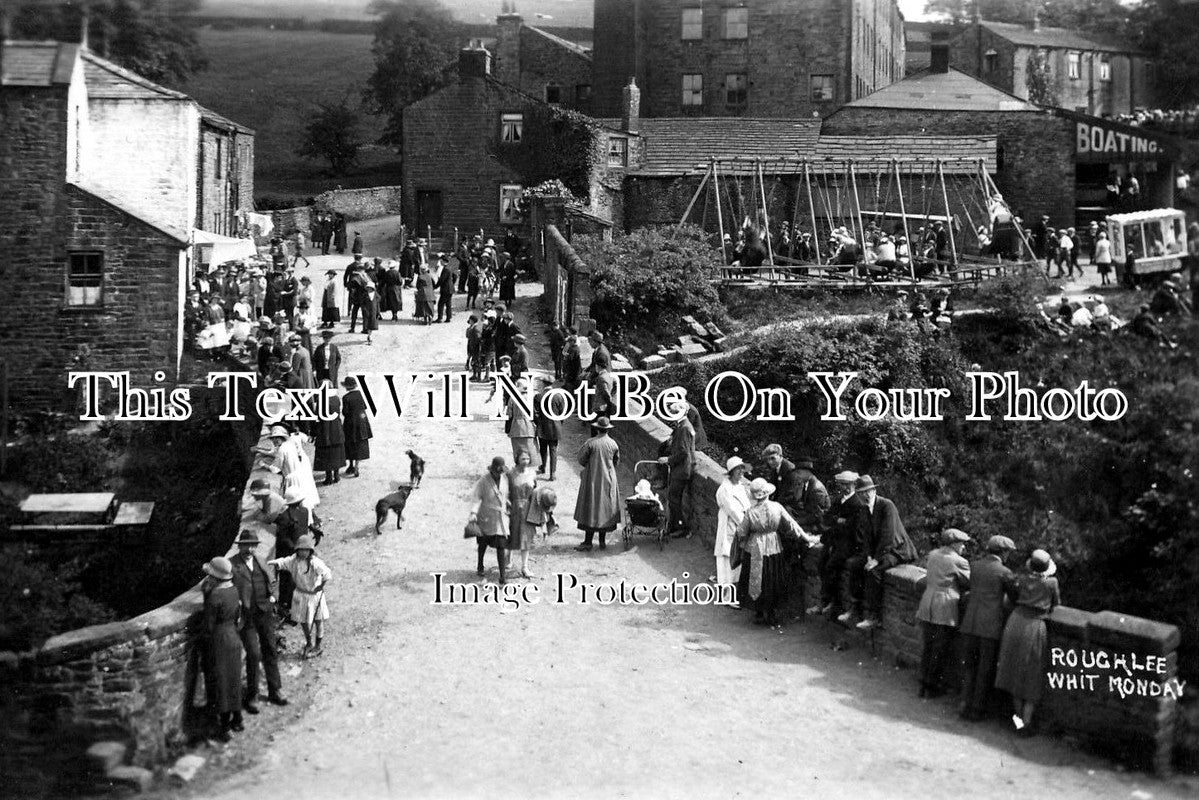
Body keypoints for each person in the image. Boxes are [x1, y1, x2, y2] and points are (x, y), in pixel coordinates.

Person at [995, 549, 1061, 736]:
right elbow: (1056, 603)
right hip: (1035, 625)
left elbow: (1012, 598)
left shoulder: (1021, 579)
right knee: (1032, 672)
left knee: (1013, 670)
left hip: (1015, 622)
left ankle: (1018, 719)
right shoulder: (1051, 582)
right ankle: (1026, 722)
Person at [844, 475, 918, 630]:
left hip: (897, 550)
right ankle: (855, 608)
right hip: (880, 550)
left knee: (874, 571)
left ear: (874, 490)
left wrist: (875, 560)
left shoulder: (886, 505)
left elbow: (888, 536)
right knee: (853, 564)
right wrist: (869, 555)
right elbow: (867, 537)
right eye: (861, 492)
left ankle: (874, 617)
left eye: (867, 491)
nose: (865, 495)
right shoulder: (864, 509)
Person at [735, 477, 808, 626]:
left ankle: (759, 612)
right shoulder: (777, 507)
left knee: (756, 579)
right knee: (773, 578)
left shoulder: (750, 512)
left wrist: (742, 541)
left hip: (755, 547)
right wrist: (806, 538)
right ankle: (772, 613)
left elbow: (742, 531)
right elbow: (791, 526)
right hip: (774, 545)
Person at [228, 530, 287, 716]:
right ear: (240, 546)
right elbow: (223, 586)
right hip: (246, 618)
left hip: (264, 613)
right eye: (246, 545)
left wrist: (272, 597)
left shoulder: (260, 560)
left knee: (270, 648)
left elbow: (273, 580)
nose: (250, 548)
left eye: (253, 545)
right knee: (253, 654)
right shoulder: (232, 565)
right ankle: (252, 695)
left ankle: (275, 690)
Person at [959, 535, 1017, 721]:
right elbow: (1015, 598)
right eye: (1008, 552)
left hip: (970, 622)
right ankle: (977, 709)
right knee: (984, 668)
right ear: (1003, 553)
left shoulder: (975, 566)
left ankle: (964, 704)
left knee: (969, 667)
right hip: (990, 626)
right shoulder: (1005, 572)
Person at [916, 528, 972, 698]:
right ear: (954, 544)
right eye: (961, 543)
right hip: (944, 606)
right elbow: (969, 582)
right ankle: (932, 686)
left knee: (928, 646)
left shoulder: (932, 555)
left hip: (928, 603)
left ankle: (923, 684)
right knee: (939, 648)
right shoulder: (959, 561)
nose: (963, 547)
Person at [200, 556, 244, 741]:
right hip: (233, 637)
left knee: (221, 683)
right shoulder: (233, 591)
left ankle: (224, 726)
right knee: (234, 679)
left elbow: (208, 626)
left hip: (220, 640)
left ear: (214, 577)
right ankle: (238, 718)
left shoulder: (215, 596)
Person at [812, 470, 867, 617]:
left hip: (849, 542)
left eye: (848, 485)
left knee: (832, 566)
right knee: (822, 563)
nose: (845, 488)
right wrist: (838, 520)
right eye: (842, 484)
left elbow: (853, 527)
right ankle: (825, 600)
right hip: (834, 538)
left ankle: (834, 603)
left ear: (854, 484)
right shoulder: (838, 500)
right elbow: (827, 519)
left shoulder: (858, 504)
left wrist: (837, 521)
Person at [269, 534, 332, 659]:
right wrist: (273, 562)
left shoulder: (316, 563)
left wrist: (320, 586)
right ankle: (309, 643)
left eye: (306, 550)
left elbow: (327, 574)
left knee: (318, 621)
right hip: (300, 594)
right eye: (301, 550)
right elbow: (283, 562)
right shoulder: (293, 560)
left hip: (314, 596)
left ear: (310, 551)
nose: (303, 553)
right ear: (297, 550)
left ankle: (318, 646)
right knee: (303, 621)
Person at [574, 417, 621, 552]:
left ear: (597, 428)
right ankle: (602, 541)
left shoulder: (591, 443)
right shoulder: (613, 444)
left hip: (592, 478)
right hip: (608, 479)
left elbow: (581, 459)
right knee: (605, 508)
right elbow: (616, 461)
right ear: (607, 429)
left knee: (591, 507)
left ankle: (588, 541)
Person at [470, 456, 511, 584]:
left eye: (501, 472)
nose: (499, 474)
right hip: (486, 517)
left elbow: (504, 495)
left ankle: (502, 576)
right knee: (483, 543)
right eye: (497, 472)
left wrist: (508, 504)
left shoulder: (505, 479)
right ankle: (480, 564)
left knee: (501, 546)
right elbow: (476, 498)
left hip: (501, 519)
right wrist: (473, 512)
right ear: (492, 470)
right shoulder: (483, 481)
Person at [714, 456, 752, 591]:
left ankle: (733, 592)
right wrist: (747, 524)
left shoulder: (740, 486)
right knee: (727, 559)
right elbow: (733, 510)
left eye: (742, 469)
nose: (741, 472)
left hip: (739, 527)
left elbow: (747, 506)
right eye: (737, 470)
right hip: (730, 526)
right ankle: (726, 595)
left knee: (736, 561)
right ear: (731, 472)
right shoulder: (725, 489)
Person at [662, 399, 695, 538]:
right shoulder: (682, 426)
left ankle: (682, 527)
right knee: (674, 498)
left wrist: (668, 459)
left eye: (674, 412)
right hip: (682, 469)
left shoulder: (684, 428)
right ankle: (674, 526)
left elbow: (683, 452)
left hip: (682, 470)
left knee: (673, 498)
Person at [507, 450, 540, 579]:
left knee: (526, 538)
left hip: (528, 510)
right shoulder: (510, 474)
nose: (525, 462)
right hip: (513, 508)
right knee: (510, 534)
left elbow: (536, 490)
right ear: (517, 460)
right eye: (522, 459)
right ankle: (508, 560)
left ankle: (524, 567)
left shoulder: (532, 473)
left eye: (527, 459)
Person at [313, 380, 346, 485]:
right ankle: (336, 475)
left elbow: (318, 415)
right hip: (336, 427)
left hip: (325, 429)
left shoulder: (321, 400)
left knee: (326, 453)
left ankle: (329, 477)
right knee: (336, 452)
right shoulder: (336, 398)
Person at [342, 377, 372, 478]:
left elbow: (345, 412)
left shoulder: (345, 397)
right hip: (362, 421)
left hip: (350, 423)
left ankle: (350, 465)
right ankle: (356, 466)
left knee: (350, 443)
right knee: (359, 444)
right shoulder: (359, 394)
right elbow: (365, 406)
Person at [533, 377, 562, 480]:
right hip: (555, 427)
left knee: (543, 449)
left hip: (543, 426)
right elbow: (562, 412)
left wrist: (538, 423)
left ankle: (543, 467)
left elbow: (535, 414)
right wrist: (559, 424)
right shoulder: (558, 396)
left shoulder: (538, 396)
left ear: (543, 384)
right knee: (553, 450)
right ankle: (552, 473)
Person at [506, 379, 537, 465]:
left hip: (516, 428)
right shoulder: (531, 397)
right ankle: (530, 473)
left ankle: (519, 471)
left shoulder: (512, 398)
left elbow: (509, 415)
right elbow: (535, 413)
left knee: (517, 451)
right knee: (530, 451)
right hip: (529, 428)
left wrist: (507, 429)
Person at [435, 256, 456, 322]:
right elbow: (455, 276)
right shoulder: (450, 267)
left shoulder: (446, 269)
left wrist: (435, 286)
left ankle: (440, 318)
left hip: (445, 289)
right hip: (450, 289)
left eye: (441, 261)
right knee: (448, 304)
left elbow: (441, 280)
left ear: (444, 262)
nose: (440, 262)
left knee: (440, 304)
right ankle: (448, 318)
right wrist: (452, 283)